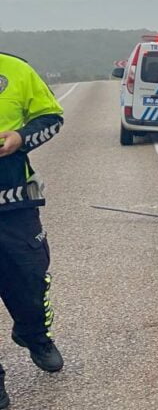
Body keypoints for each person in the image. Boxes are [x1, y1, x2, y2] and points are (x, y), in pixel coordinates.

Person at [0, 53, 65, 409]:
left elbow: (51, 118)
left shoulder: (16, 69)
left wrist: (20, 137)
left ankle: (33, 333)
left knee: (30, 279)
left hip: (14, 202)